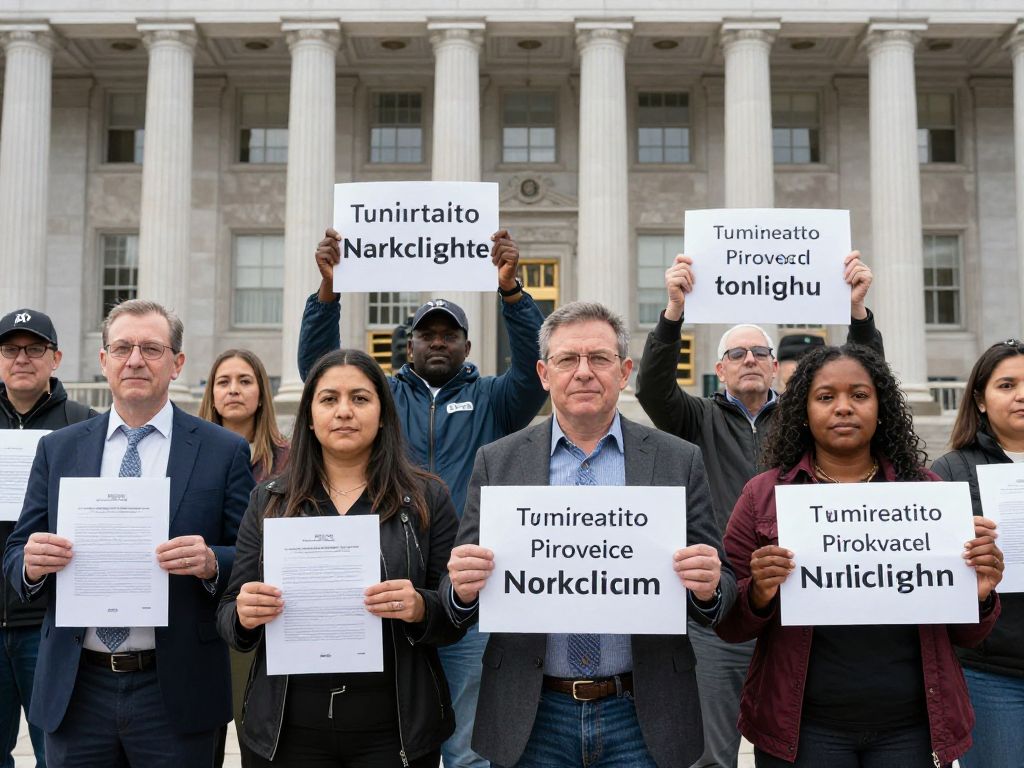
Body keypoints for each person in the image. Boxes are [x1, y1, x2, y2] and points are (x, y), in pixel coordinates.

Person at [444, 301, 736, 768]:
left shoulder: (678, 461)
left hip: (643, 710)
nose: (583, 372)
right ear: (543, 373)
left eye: (599, 359)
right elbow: (454, 602)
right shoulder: (496, 463)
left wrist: (708, 586)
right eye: (567, 360)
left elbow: (721, 597)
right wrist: (461, 588)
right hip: (532, 713)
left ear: (623, 372)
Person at [300, 227, 548, 768]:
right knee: (393, 742)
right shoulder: (381, 399)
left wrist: (512, 295)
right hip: (386, 588)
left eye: (449, 334)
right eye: (427, 333)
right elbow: (320, 374)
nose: (438, 341)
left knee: (465, 747)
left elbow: (535, 370)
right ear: (408, 342)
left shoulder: (494, 400)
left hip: (466, 590)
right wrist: (328, 295)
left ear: (467, 345)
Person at [634, 250, 882, 768]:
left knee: (794, 739)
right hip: (721, 606)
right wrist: (673, 311)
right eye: (737, 353)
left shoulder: (802, 424)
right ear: (719, 367)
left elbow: (868, 381)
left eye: (760, 352)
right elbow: (652, 388)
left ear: (775, 366)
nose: (749, 360)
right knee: (710, 751)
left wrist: (858, 315)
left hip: (796, 604)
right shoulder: (694, 419)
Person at [717, 343, 1004, 767]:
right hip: (802, 729)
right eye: (826, 397)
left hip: (910, 728)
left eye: (860, 395)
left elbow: (967, 635)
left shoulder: (928, 495)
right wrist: (759, 592)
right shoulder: (763, 496)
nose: (844, 408)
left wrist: (978, 594)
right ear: (803, 410)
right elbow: (729, 624)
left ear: (881, 406)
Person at [2, 299, 254, 767]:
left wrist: (210, 562)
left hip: (175, 688)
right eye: (122, 348)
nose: (135, 359)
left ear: (177, 363)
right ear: (104, 362)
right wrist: (32, 565)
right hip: (78, 688)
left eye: (152, 348)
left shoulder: (224, 451)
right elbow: (16, 553)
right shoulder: (58, 449)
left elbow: (251, 557)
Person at [217, 349, 463, 766]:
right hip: (287, 729)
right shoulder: (271, 500)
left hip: (393, 730)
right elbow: (228, 613)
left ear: (383, 413)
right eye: (329, 399)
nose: (344, 411)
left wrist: (421, 606)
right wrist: (244, 613)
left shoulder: (425, 498)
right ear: (309, 418)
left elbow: (456, 614)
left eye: (360, 399)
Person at [0, 308, 96, 768]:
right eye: (10, 349)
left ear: (55, 358)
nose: (22, 358)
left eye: (34, 348)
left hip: (50, 623)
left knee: (56, 753)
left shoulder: (84, 425)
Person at [931, 339, 1024, 768]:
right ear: (981, 401)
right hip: (993, 673)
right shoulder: (952, 470)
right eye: (1007, 385)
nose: (1021, 394)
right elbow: (933, 571)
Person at [199, 348, 290, 767]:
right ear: (211, 394)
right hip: (203, 614)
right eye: (223, 381)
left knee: (265, 738)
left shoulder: (292, 459)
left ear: (262, 393)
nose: (233, 390)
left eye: (245, 381)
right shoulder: (190, 456)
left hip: (270, 614)